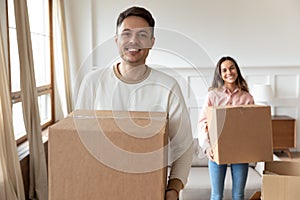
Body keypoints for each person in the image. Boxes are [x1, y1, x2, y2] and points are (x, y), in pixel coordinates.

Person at [75, 6, 193, 200]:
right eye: (126, 34)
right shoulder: (92, 82)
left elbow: (184, 146)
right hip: (100, 189)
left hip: (148, 190)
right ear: (116, 40)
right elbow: (79, 141)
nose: (133, 41)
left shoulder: (168, 86)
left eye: (142, 35)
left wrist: (174, 188)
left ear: (152, 42)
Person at [198, 56, 254, 200]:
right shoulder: (212, 96)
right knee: (216, 195)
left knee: (239, 195)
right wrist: (207, 147)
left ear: (237, 70)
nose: (229, 72)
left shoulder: (247, 97)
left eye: (232, 68)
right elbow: (203, 123)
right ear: (220, 74)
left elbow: (252, 126)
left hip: (240, 150)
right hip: (217, 148)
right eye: (224, 70)